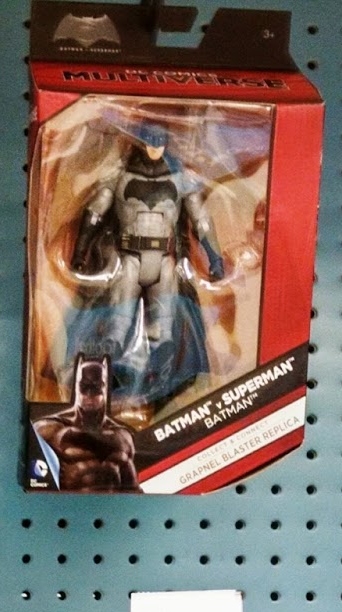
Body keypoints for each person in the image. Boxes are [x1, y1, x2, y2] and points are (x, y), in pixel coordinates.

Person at [64, 119, 223, 413]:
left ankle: (163, 393)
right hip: (129, 259)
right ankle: (111, 388)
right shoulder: (119, 174)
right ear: (140, 142)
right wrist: (80, 253)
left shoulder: (181, 178)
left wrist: (215, 258)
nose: (154, 147)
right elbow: (95, 212)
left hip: (165, 262)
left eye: (159, 142)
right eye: (149, 141)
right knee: (118, 327)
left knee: (164, 332)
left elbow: (201, 220)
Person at [30, 353, 138, 491]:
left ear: (105, 388)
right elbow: (35, 482)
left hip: (109, 503)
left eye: (96, 387)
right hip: (64, 504)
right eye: (84, 387)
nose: (89, 395)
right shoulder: (49, 429)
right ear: (76, 387)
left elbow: (133, 489)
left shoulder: (123, 437)